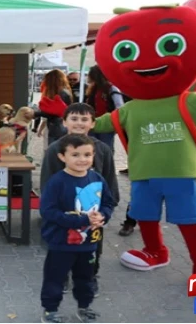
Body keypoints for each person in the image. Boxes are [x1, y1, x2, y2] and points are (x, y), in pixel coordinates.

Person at [39, 103, 120, 297]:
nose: (79, 123)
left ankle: (90, 277)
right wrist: (52, 210)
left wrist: (106, 211)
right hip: (64, 214)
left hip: (92, 214)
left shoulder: (102, 149)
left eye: (85, 119)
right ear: (65, 121)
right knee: (62, 247)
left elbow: (109, 179)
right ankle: (63, 277)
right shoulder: (54, 150)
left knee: (93, 249)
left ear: (92, 123)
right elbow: (46, 181)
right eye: (74, 118)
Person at [39, 134, 113, 323]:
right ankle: (50, 310)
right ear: (62, 157)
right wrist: (79, 220)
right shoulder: (57, 182)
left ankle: (84, 307)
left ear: (93, 155)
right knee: (55, 278)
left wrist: (103, 216)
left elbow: (107, 202)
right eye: (75, 155)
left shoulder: (97, 178)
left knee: (86, 278)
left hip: (89, 242)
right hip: (61, 242)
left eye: (87, 155)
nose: (82, 160)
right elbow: (48, 211)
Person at [85, 66, 125, 152]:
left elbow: (119, 106)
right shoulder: (93, 89)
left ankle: (106, 164)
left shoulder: (111, 88)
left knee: (106, 148)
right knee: (93, 148)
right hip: (93, 123)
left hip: (107, 123)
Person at [35, 70, 73, 146]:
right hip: (59, 126)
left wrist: (34, 113)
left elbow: (54, 112)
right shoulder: (64, 92)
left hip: (58, 127)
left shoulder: (61, 94)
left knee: (54, 151)